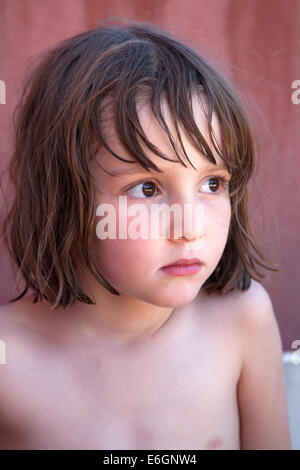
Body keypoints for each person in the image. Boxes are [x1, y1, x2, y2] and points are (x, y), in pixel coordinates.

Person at [0, 18, 291, 450]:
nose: (190, 227)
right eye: (147, 188)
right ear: (65, 198)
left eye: (212, 184)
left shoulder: (241, 321)